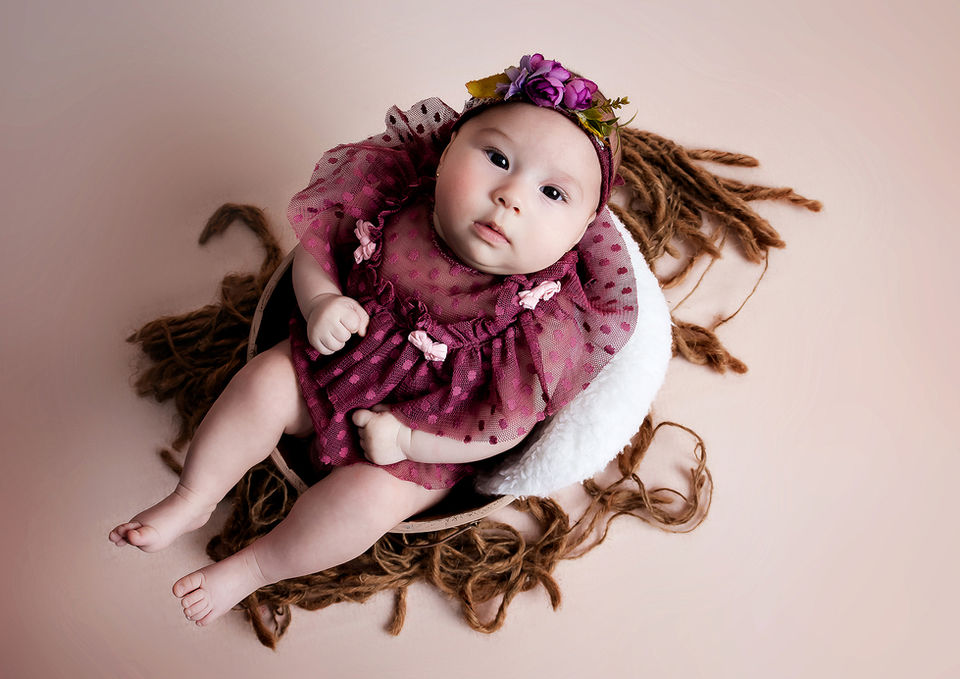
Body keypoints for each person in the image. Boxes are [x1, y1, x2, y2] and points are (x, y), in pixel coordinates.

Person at [108, 54, 638, 626]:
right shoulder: (393, 198)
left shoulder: (545, 316)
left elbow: (502, 427)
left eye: (552, 193)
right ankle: (193, 498)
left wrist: (410, 441)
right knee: (265, 381)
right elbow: (319, 246)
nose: (511, 195)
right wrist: (320, 301)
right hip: (329, 369)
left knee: (367, 505)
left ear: (581, 233)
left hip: (417, 449)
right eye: (498, 158)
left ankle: (254, 568)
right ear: (447, 149)